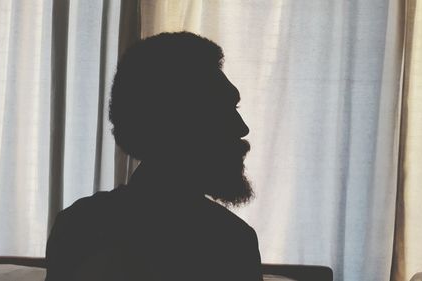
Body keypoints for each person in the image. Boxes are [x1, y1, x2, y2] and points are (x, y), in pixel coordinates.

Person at [45, 32, 263, 281]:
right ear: (175, 123)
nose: (242, 128)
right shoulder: (231, 243)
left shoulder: (78, 224)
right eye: (222, 111)